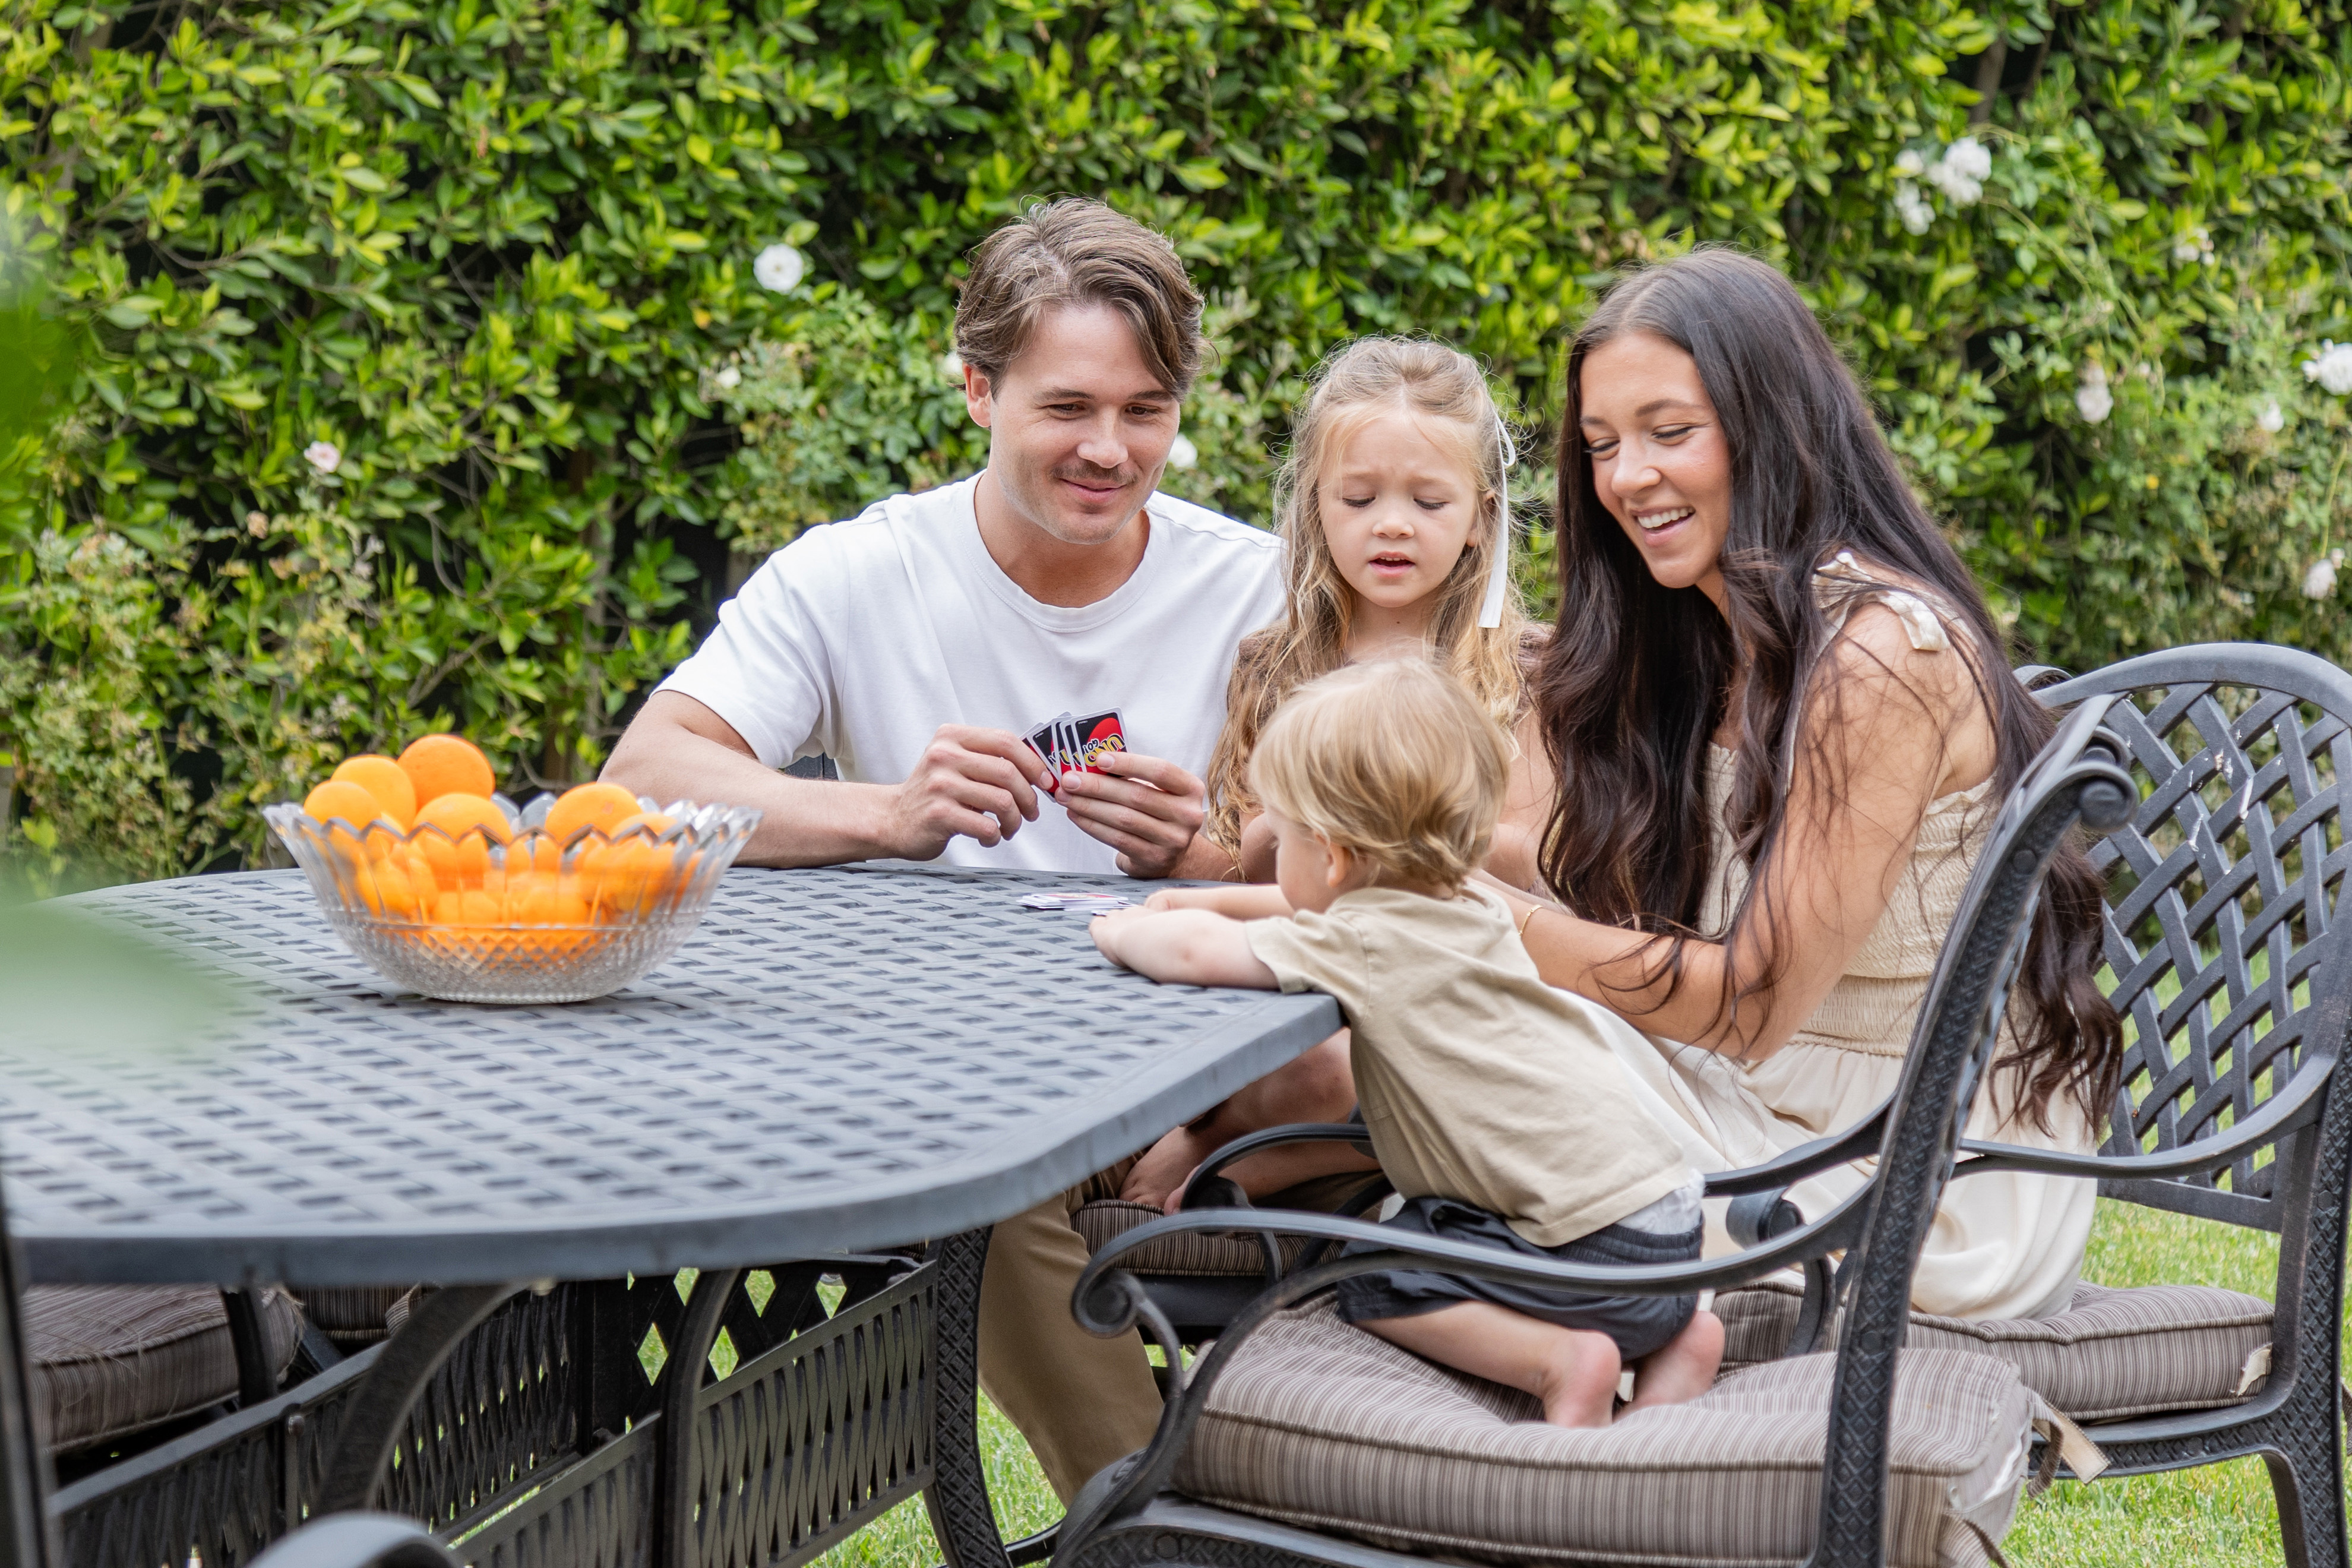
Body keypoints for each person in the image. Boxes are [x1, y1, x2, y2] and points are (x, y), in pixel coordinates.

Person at [602, 200, 1293, 1502]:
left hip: (1191, 1075)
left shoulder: (1259, 590)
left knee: (983, 1163)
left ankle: (1164, 1524)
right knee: (977, 1155)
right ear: (977, 390)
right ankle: (1161, 1524)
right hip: (944, 1071)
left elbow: (1388, 865)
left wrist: (1201, 858)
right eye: (1067, 407)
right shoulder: (860, 573)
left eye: (1145, 411)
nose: (1110, 449)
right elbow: (642, 785)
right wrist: (888, 815)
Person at [1481, 248, 2122, 1321]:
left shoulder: (1882, 656)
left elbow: (1749, 1004)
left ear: (1768, 426)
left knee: (1446, 1040)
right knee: (1417, 1034)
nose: (1626, 477)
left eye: (1669, 432)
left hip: (1913, 1181)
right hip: (1760, 1108)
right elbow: (1595, 895)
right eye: (1601, 445)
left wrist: (1481, 922)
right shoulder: (1704, 641)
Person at [1092, 659, 1723, 1425]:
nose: (1279, 862)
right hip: (1666, 1238)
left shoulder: (1365, 943)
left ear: (1331, 855)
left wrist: (1124, 929)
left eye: (1283, 839)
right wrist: (1200, 899)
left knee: (1376, 1274)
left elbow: (1195, 955)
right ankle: (1675, 1352)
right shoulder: (1465, 909)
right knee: (1525, 1260)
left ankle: (1559, 1361)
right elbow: (1296, 906)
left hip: (1575, 1252)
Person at [1117, 336, 1557, 1213]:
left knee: (1355, 1059)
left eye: (1429, 501)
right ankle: (1246, 1137)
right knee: (1288, 1039)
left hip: (1456, 988)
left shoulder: (1529, 671)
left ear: (1482, 514)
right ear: (1317, 505)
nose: (1391, 524)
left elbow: (1529, 860)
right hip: (1306, 987)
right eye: (1358, 499)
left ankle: (1244, 1157)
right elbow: (1252, 858)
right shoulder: (1277, 663)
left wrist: (1351, 835)